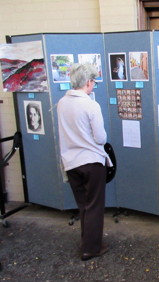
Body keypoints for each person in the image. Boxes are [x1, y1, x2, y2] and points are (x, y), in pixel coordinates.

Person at [57, 63, 112, 261]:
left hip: (70, 162)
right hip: (90, 161)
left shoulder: (62, 102)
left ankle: (88, 242)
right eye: (94, 81)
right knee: (95, 206)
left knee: (83, 205)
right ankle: (91, 248)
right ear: (88, 82)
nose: (94, 85)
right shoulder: (90, 104)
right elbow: (100, 138)